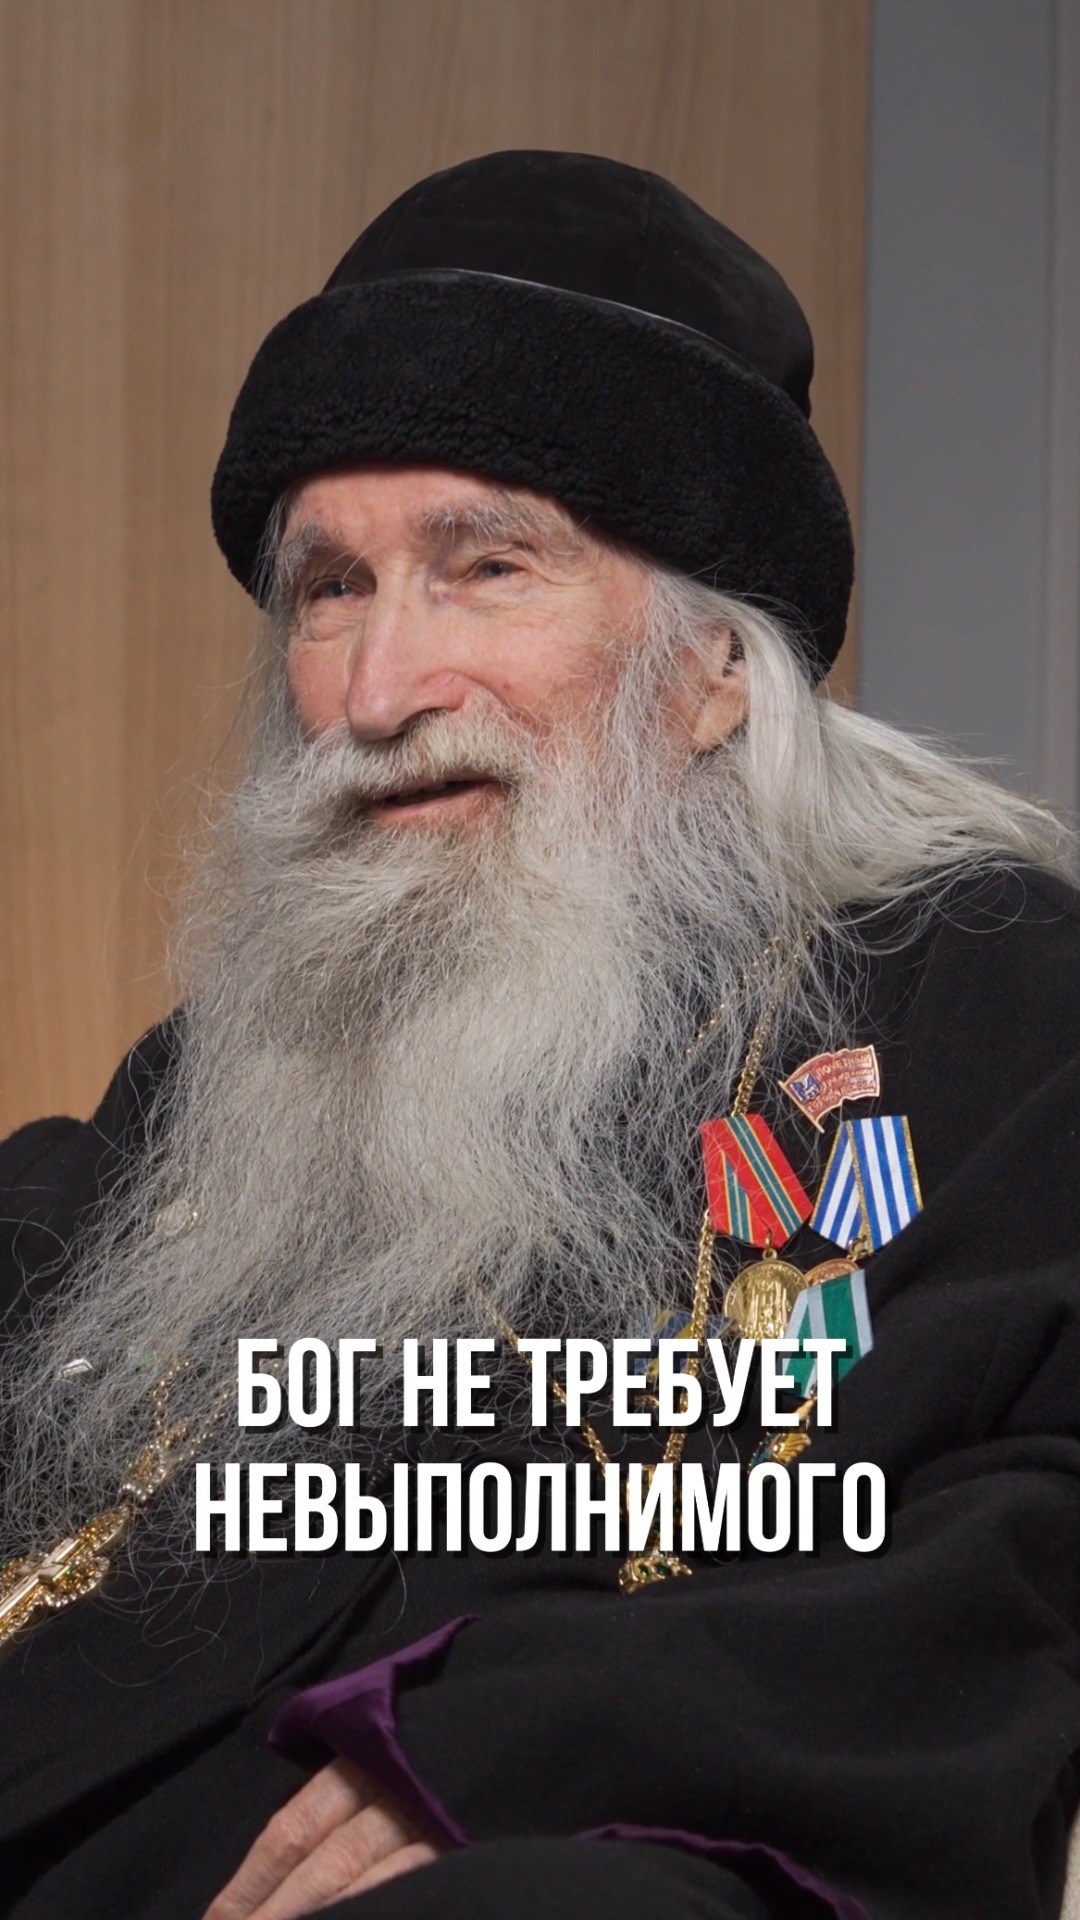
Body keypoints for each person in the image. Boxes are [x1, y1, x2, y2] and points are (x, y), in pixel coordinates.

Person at [1, 150, 1078, 1920]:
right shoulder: (245, 1061)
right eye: (330, 590)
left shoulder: (973, 990)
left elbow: (1033, 1524)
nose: (375, 692)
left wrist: (527, 1736)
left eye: (486, 568)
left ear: (719, 666)